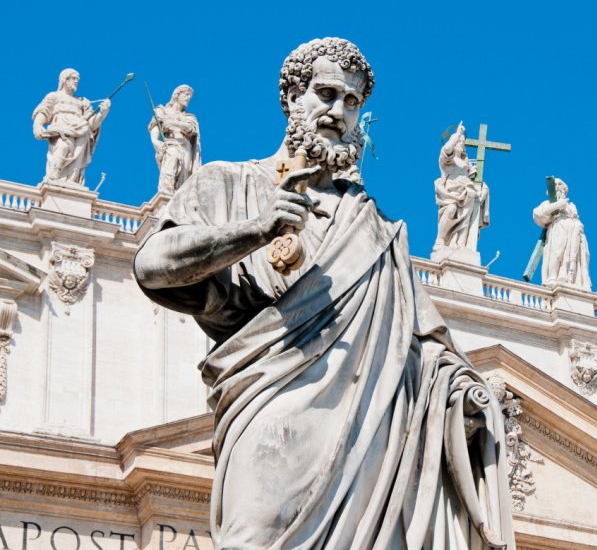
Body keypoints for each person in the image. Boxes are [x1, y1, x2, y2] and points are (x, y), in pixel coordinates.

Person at [133, 38, 514, 550]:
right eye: (326, 94)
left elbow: (424, 348)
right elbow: (152, 264)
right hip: (269, 417)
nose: (339, 112)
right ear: (292, 98)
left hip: (369, 443)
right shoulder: (231, 181)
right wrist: (253, 231)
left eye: (352, 102)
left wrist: (460, 398)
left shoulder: (377, 229)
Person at [32, 69, 110, 185]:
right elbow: (44, 111)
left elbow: (91, 124)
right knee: (62, 147)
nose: (76, 82)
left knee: (77, 159)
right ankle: (54, 177)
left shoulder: (83, 102)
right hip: (61, 129)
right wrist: (38, 125)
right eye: (73, 79)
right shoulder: (54, 96)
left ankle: (72, 183)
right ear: (65, 79)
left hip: (81, 132)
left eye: (77, 79)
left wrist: (103, 113)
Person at [433, 123, 489, 256]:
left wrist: (483, 188)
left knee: (465, 219)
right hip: (451, 192)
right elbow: (447, 149)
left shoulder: (466, 163)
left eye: (463, 142)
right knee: (451, 209)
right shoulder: (447, 159)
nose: (461, 144)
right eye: (459, 141)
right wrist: (457, 134)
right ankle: (440, 239)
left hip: (467, 193)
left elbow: (476, 180)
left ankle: (460, 244)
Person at [532, 178, 591, 289]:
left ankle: (569, 278)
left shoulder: (571, 206)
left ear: (563, 190)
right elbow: (538, 213)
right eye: (555, 187)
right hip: (559, 227)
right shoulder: (549, 203)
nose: (557, 189)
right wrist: (558, 205)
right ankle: (552, 278)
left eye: (559, 186)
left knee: (573, 257)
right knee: (557, 252)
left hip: (574, 231)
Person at [149, 84, 201, 194]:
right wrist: (155, 142)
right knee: (171, 161)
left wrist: (172, 123)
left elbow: (191, 128)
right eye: (186, 95)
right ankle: (165, 196)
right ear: (177, 95)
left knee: (185, 178)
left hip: (186, 148)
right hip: (171, 144)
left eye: (190, 97)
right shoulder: (162, 110)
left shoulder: (189, 116)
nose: (188, 98)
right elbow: (155, 128)